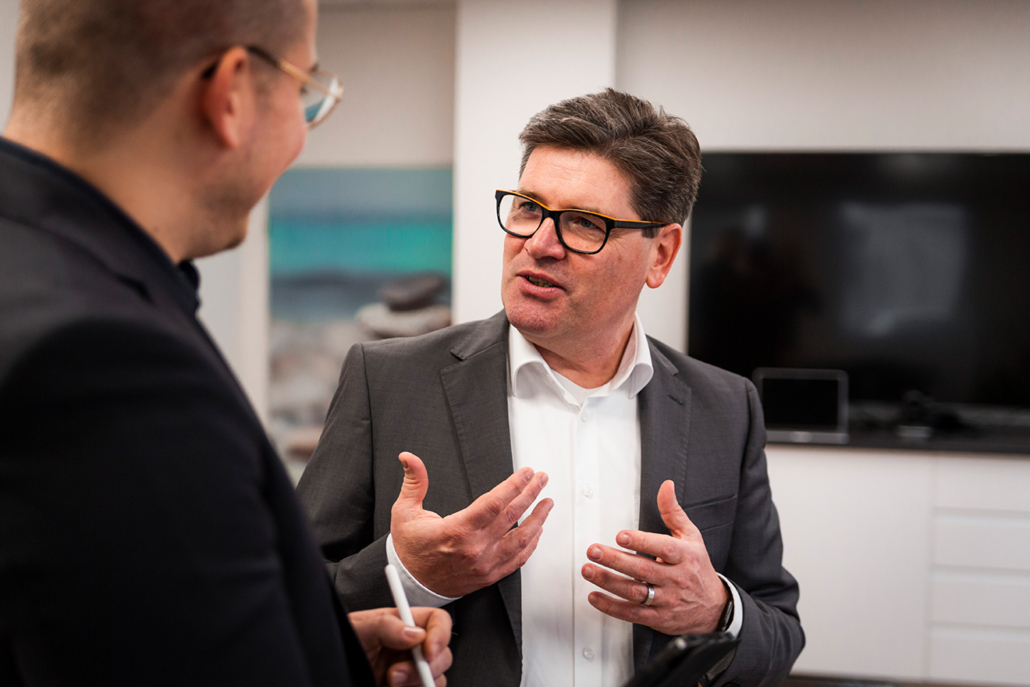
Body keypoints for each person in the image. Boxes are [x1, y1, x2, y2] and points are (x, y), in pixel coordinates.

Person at [0, 1, 451, 685]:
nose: (300, 137)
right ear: (231, 91)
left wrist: (320, 652)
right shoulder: (107, 364)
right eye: (305, 91)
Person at [298, 89, 804, 687]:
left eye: (585, 223)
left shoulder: (726, 407)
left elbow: (779, 631)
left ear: (661, 255)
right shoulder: (387, 382)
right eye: (527, 208)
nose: (539, 243)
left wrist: (715, 609)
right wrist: (411, 574)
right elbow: (286, 600)